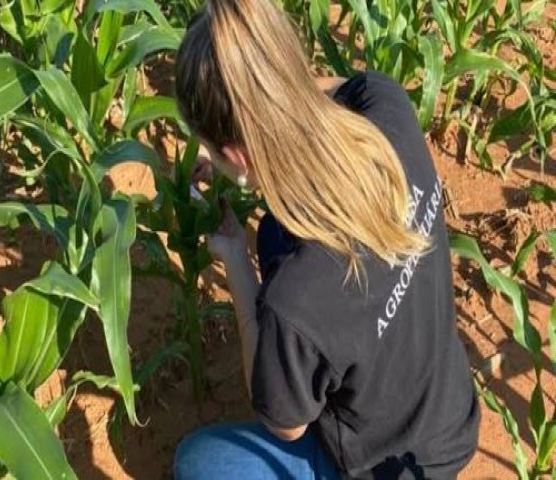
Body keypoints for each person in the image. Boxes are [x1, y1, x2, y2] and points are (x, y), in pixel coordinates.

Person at [173, 0, 480, 478]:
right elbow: (315, 94)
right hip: (450, 422)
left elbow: (286, 424)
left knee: (200, 462)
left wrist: (234, 257)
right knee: (275, 236)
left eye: (212, 148)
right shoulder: (387, 106)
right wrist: (258, 130)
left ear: (237, 155)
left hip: (380, 469)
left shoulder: (296, 299)